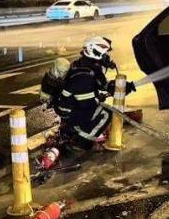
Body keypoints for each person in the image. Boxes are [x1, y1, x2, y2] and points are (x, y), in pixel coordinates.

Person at [40, 36, 134, 168]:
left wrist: (123, 87)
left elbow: (103, 84)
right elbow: (87, 104)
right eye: (104, 53)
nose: (106, 57)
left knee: (97, 111)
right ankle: (80, 143)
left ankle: (73, 132)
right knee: (105, 114)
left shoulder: (89, 65)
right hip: (69, 111)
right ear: (94, 52)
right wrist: (99, 98)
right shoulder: (84, 74)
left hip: (69, 107)